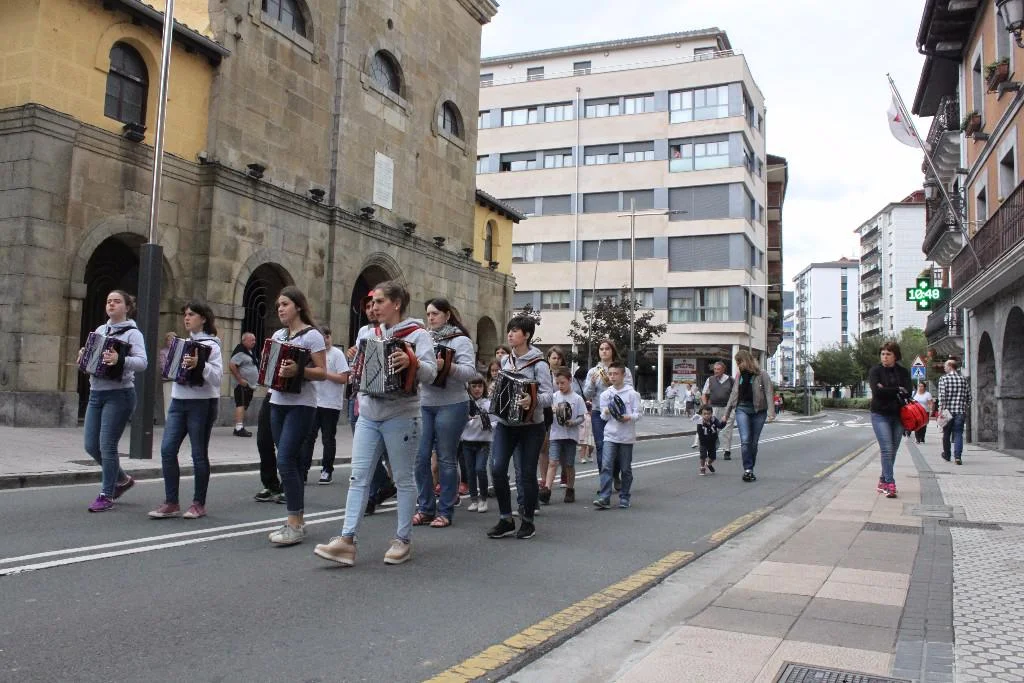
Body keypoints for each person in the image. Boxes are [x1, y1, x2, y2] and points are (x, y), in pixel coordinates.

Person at [314, 281, 437, 566]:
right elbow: (357, 370)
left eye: (380, 301)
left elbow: (431, 374)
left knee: (403, 479)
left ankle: (402, 540)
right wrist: (356, 365)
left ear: (396, 304)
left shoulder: (417, 334)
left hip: (402, 414)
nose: (374, 307)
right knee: (358, 478)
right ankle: (347, 541)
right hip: (369, 414)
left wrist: (412, 362)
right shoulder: (368, 334)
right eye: (373, 302)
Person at [265, 287, 327, 545]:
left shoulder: (312, 336)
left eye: (285, 304)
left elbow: (322, 372)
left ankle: (294, 523)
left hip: (302, 405)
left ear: (298, 306)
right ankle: (297, 520)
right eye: (278, 305)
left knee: (285, 460)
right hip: (277, 402)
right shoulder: (278, 335)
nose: (280, 309)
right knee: (287, 460)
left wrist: (299, 370)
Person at [149, 301, 223, 520]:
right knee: (167, 450)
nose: (187, 318)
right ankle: (171, 502)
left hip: (202, 403)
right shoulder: (183, 344)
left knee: (198, 454)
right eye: (185, 315)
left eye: (191, 314)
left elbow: (217, 378)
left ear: (203, 319)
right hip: (178, 402)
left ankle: (199, 503)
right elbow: (171, 371)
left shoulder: (212, 345)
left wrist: (201, 364)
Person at [78, 290, 147, 512]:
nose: (111, 304)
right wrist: (84, 358)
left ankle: (106, 495)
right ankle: (123, 480)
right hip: (96, 393)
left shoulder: (133, 333)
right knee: (91, 445)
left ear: (127, 307)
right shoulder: (100, 330)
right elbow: (91, 363)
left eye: (117, 301)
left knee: (107, 445)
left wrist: (121, 359)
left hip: (120, 394)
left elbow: (142, 362)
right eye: (109, 301)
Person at [486, 315, 553, 540]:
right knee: (497, 469)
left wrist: (532, 400)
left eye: (515, 331)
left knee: (526, 473)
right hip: (506, 424)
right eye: (509, 330)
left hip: (531, 426)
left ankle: (527, 521)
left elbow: (548, 396)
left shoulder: (539, 364)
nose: (510, 334)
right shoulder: (506, 361)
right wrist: (494, 391)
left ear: (527, 335)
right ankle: (506, 518)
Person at [413, 298, 476, 529]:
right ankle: (425, 508)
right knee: (420, 458)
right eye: (428, 314)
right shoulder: (423, 338)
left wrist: (447, 367)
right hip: (424, 402)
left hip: (452, 403)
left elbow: (470, 372)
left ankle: (445, 510)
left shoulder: (460, 340)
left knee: (446, 458)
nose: (431, 318)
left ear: (447, 315)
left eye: (435, 313)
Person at [347, 294, 396, 514]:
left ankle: (382, 489)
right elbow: (358, 362)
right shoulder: (363, 332)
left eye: (375, 304)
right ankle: (378, 489)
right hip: (360, 395)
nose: (371, 309)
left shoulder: (394, 331)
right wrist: (352, 355)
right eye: (367, 306)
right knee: (364, 451)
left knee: (384, 451)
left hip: (386, 400)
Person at [302, 326, 350, 484]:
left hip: (331, 403)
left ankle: (327, 470)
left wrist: (324, 374)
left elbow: (343, 378)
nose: (325, 340)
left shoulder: (337, 354)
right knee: (309, 438)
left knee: (328, 438)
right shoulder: (314, 354)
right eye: (322, 337)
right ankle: (303, 470)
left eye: (327, 337)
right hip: (314, 402)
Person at [584, 340, 633, 491]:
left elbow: (630, 389)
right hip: (599, 411)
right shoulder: (593, 371)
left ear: (612, 351)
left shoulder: (623, 370)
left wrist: (613, 383)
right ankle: (604, 482)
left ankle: (615, 475)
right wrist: (592, 383)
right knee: (601, 446)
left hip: (616, 412)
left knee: (616, 446)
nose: (604, 351)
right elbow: (587, 394)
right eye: (601, 349)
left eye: (607, 348)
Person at [593, 362, 641, 509]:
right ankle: (604, 497)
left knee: (625, 468)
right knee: (606, 465)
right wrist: (606, 411)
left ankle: (624, 497)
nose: (612, 377)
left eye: (616, 374)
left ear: (623, 375)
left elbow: (638, 414)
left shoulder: (632, 394)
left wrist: (628, 417)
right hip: (610, 435)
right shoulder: (606, 394)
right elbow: (603, 417)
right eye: (610, 374)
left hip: (626, 436)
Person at [867, 341, 912, 498]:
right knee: (886, 449)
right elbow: (877, 392)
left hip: (899, 415)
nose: (884, 357)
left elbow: (908, 392)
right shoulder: (875, 371)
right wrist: (897, 389)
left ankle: (882, 480)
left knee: (893, 450)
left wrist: (886, 389)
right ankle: (890, 483)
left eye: (888, 354)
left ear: (895, 356)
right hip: (880, 414)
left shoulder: (903, 372)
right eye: (882, 354)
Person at [723, 350, 775, 483]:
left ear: (746, 361)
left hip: (759, 411)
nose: (738, 365)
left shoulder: (762, 374)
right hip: (742, 409)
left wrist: (771, 412)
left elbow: (769, 392)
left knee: (754, 442)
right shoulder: (739, 375)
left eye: (739, 362)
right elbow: (734, 393)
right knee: (745, 440)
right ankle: (748, 469)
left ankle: (750, 468)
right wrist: (726, 413)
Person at [542, 367, 586, 504]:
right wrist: (551, 411)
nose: (560, 386)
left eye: (563, 383)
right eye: (558, 383)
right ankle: (547, 489)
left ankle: (570, 489)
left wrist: (573, 422)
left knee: (569, 464)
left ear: (570, 381)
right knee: (553, 462)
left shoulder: (577, 398)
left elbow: (582, 417)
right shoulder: (554, 397)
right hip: (556, 435)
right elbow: (546, 416)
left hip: (570, 436)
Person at [462, 376, 492, 513]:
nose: (477, 389)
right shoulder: (465, 403)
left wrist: (487, 425)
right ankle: (474, 499)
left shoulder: (488, 404)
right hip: (467, 442)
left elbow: (496, 422)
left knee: (480, 469)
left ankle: (483, 499)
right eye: (474, 386)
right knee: (470, 471)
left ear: (484, 387)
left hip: (483, 442)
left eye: (480, 386)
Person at [694, 362, 735, 457]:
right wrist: (705, 406)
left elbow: (735, 394)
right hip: (714, 408)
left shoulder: (730, 380)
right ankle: (711, 447)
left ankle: (727, 451)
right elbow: (704, 394)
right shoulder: (710, 379)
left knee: (727, 430)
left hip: (728, 408)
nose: (716, 371)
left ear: (723, 370)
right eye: (715, 369)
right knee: (712, 429)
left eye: (718, 369)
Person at [938, 359, 971, 464]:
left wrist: (940, 410)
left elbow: (942, 396)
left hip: (947, 411)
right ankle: (958, 457)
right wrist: (965, 407)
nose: (944, 367)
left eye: (945, 365)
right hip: (960, 411)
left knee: (946, 434)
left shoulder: (943, 379)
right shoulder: (963, 379)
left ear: (950, 366)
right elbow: (969, 397)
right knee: (958, 434)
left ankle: (947, 455)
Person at [228, 332, 259, 437]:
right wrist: (240, 379)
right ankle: (239, 428)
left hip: (249, 385)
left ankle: (239, 426)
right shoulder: (240, 352)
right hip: (241, 384)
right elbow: (232, 365)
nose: (254, 342)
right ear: (244, 340)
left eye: (254, 340)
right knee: (240, 404)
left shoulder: (249, 352)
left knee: (244, 405)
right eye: (252, 340)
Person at [691, 404, 726, 475]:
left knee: (713, 457)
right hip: (703, 442)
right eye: (705, 414)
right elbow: (700, 433)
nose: (707, 415)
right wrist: (702, 442)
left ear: (711, 414)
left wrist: (723, 422)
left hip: (712, 442)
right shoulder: (700, 422)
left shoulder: (714, 419)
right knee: (703, 456)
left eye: (708, 414)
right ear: (701, 414)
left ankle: (708, 464)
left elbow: (720, 426)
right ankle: (702, 467)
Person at [159, 331, 176, 418]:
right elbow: (163, 366)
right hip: (168, 380)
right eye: (169, 340)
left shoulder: (179, 352)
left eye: (173, 340)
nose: (171, 342)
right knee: (168, 401)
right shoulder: (163, 352)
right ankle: (168, 420)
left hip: (177, 380)